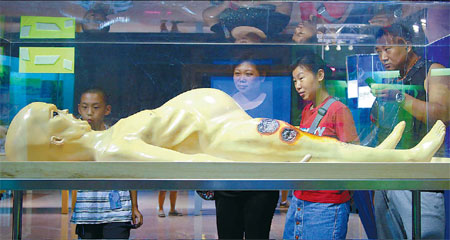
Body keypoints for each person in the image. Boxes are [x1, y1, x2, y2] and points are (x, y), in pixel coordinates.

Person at [4, 87, 446, 164]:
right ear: (57, 139)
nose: (64, 111)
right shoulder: (110, 149)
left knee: (310, 143)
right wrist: (237, 155)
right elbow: (176, 165)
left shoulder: (107, 138)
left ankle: (388, 151)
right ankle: (401, 155)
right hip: (223, 133)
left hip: (224, 123)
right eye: (54, 115)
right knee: (313, 146)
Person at [372, 24, 449, 239]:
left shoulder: (433, 70)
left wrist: (400, 97)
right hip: (387, 180)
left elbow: (443, 115)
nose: (382, 57)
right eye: (378, 52)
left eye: (387, 49)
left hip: (421, 181)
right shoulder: (395, 79)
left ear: (407, 45)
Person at [283, 54, 359, 240]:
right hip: (300, 198)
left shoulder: (338, 110)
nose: (298, 85)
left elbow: (354, 154)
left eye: (301, 78)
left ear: (320, 75)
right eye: (294, 81)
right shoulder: (306, 111)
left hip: (326, 204)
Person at [214, 55, 278, 239]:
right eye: (237, 73)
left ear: (262, 76)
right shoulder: (224, 104)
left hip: (261, 186)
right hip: (227, 185)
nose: (241, 78)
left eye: (248, 74)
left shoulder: (273, 103)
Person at [70, 88, 143, 239]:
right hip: (87, 211)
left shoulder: (117, 137)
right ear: (79, 108)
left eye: (96, 107)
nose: (89, 112)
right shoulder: (74, 141)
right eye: (85, 107)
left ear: (107, 109)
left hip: (118, 211)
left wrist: (134, 206)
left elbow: (129, 172)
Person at [202, 1, 292, 42]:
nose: (242, 43)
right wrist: (255, 2)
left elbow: (208, 16)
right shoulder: (272, 28)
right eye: (248, 48)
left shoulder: (226, 32)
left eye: (239, 47)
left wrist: (225, 4)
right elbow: (285, 4)